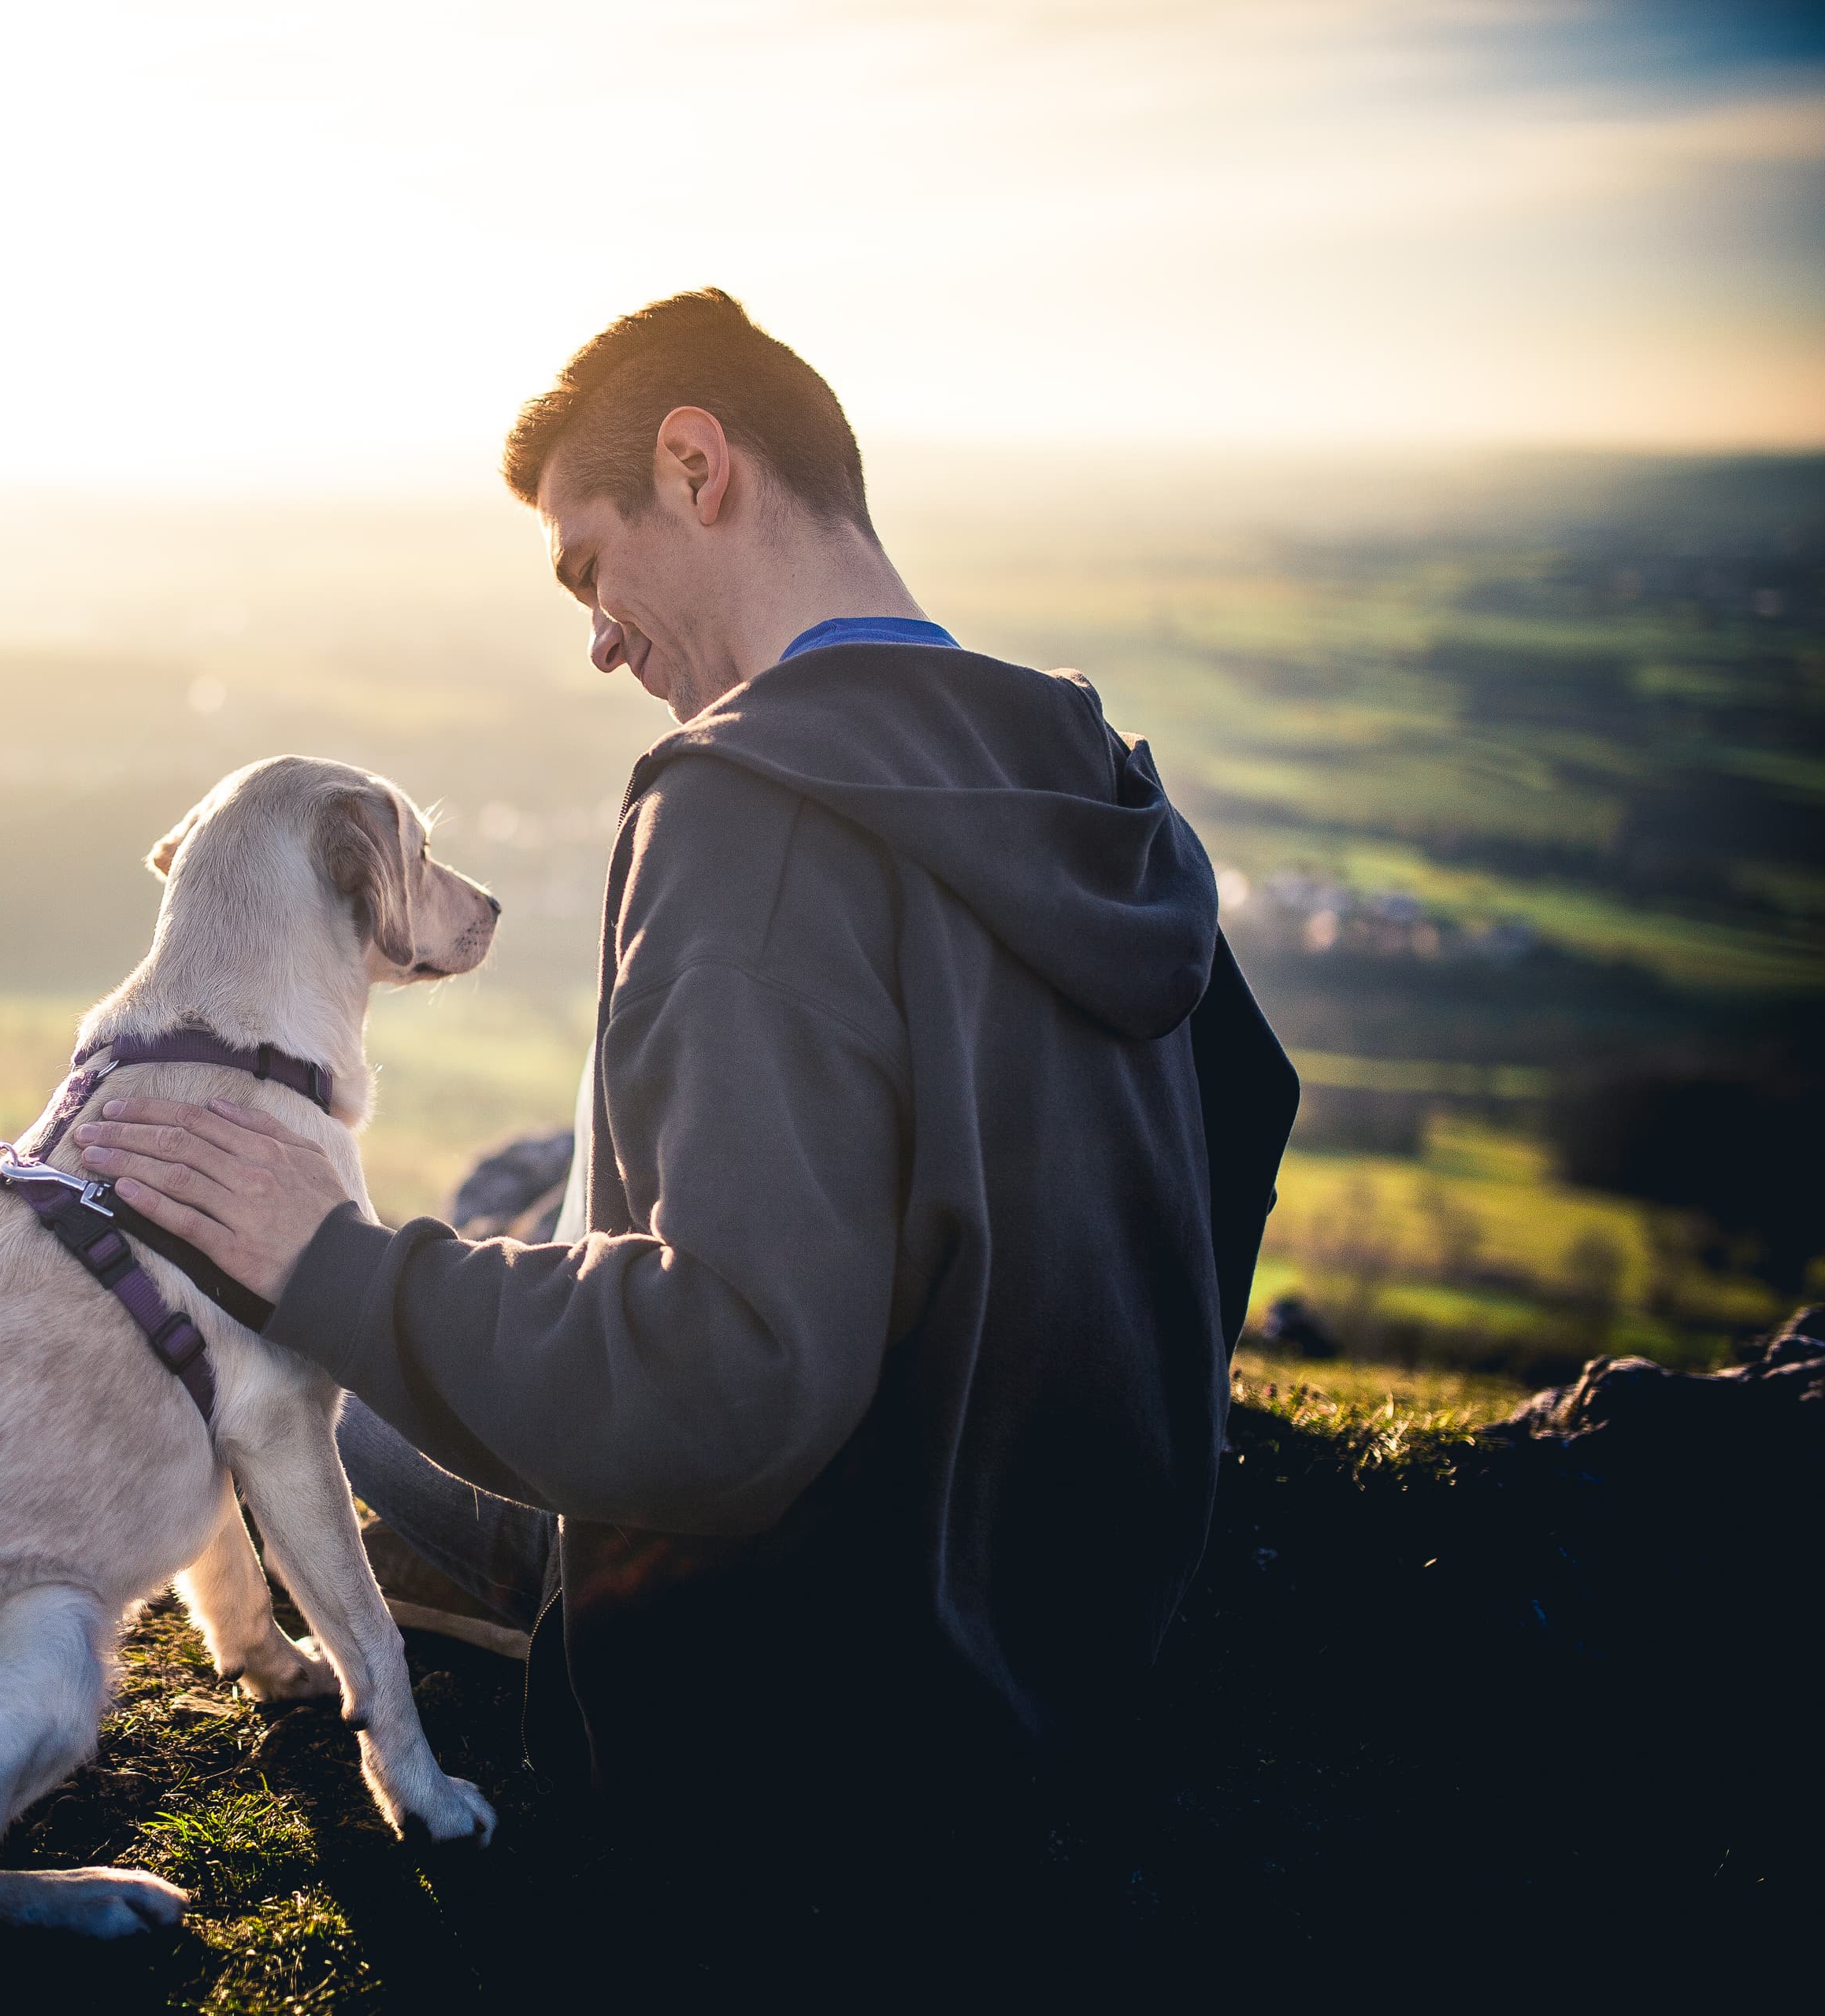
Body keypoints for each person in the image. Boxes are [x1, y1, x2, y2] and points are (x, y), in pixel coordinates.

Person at [71, 288, 1298, 1835]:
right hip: (1085, 1601)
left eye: (590, 562)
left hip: (850, 1670)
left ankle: (474, 1588)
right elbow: (1243, 1116)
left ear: (698, 464)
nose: (594, 639)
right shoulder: (1097, 773)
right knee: (539, 1193)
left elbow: (735, 1383)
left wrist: (336, 1272)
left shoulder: (738, 801)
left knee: (343, 1400)